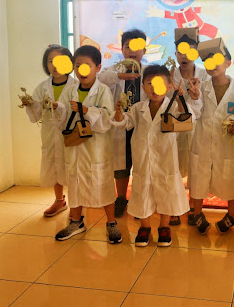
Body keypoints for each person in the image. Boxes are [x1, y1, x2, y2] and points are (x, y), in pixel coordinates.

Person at [111, 65, 200, 247]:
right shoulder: (138, 108)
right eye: (150, 83)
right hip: (143, 159)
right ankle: (144, 227)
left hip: (165, 158)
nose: (154, 88)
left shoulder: (173, 106)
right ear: (143, 87)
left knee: (166, 191)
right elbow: (125, 123)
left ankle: (164, 226)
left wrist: (180, 98)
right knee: (142, 191)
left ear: (169, 87)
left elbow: (187, 117)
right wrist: (119, 114)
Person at [54, 45, 121, 243]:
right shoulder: (70, 91)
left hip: (96, 148)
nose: (81, 71)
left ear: (98, 67)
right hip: (75, 147)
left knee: (103, 185)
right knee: (75, 185)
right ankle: (76, 221)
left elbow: (107, 119)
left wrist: (86, 111)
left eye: (87, 66)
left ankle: (111, 223)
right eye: (77, 66)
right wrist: (57, 108)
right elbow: (63, 116)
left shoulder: (103, 91)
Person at [189, 42, 234, 234]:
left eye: (217, 60)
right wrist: (194, 97)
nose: (213, 64)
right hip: (203, 141)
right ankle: (197, 213)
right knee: (199, 177)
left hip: (226, 143)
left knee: (229, 177)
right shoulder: (200, 87)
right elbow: (194, 111)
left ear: (228, 63)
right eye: (208, 61)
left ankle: (231, 215)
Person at [98, 29, 148, 218]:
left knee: (142, 164)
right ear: (122, 49)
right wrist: (120, 76)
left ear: (144, 51)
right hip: (120, 126)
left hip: (142, 125)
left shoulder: (149, 72)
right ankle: (121, 198)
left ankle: (140, 200)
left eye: (137, 47)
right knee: (121, 164)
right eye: (128, 46)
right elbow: (99, 79)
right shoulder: (114, 70)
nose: (132, 51)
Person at [22, 44, 75, 217]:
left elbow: (77, 112)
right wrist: (30, 104)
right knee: (54, 166)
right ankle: (59, 201)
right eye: (50, 61)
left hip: (71, 136)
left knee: (72, 167)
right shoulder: (42, 87)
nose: (55, 65)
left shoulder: (75, 86)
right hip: (50, 134)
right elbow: (36, 115)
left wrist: (58, 107)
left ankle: (77, 205)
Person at [169, 30, 209, 226]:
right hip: (174, 127)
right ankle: (174, 208)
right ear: (176, 54)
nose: (184, 56)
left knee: (196, 167)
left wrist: (195, 96)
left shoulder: (204, 75)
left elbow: (206, 105)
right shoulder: (169, 75)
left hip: (197, 128)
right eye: (181, 52)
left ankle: (195, 206)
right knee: (173, 166)